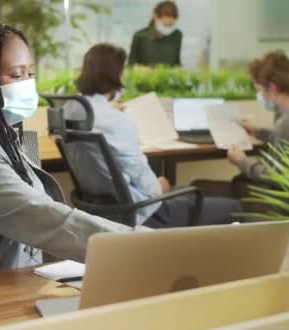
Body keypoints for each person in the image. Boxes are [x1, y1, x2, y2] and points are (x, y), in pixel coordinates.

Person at [0, 24, 142, 283]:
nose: (28, 84)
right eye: (16, 75)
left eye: (30, 73)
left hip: (7, 285)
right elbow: (40, 216)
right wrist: (139, 245)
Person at [66, 43, 242, 228]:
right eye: (122, 72)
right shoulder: (116, 121)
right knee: (234, 206)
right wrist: (160, 187)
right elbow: (146, 183)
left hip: (103, 210)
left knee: (187, 191)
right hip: (141, 212)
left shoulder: (72, 110)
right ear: (113, 75)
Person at [226, 50, 289, 182]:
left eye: (259, 90)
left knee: (205, 185)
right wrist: (258, 132)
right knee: (238, 182)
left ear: (272, 89)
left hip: (279, 198)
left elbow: (282, 178)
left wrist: (242, 161)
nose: (260, 95)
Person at [128, 1, 182, 66]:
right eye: (165, 25)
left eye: (171, 25)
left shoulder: (177, 35)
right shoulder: (140, 36)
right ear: (155, 17)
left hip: (170, 75)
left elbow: (177, 62)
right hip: (146, 75)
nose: (168, 29)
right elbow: (131, 64)